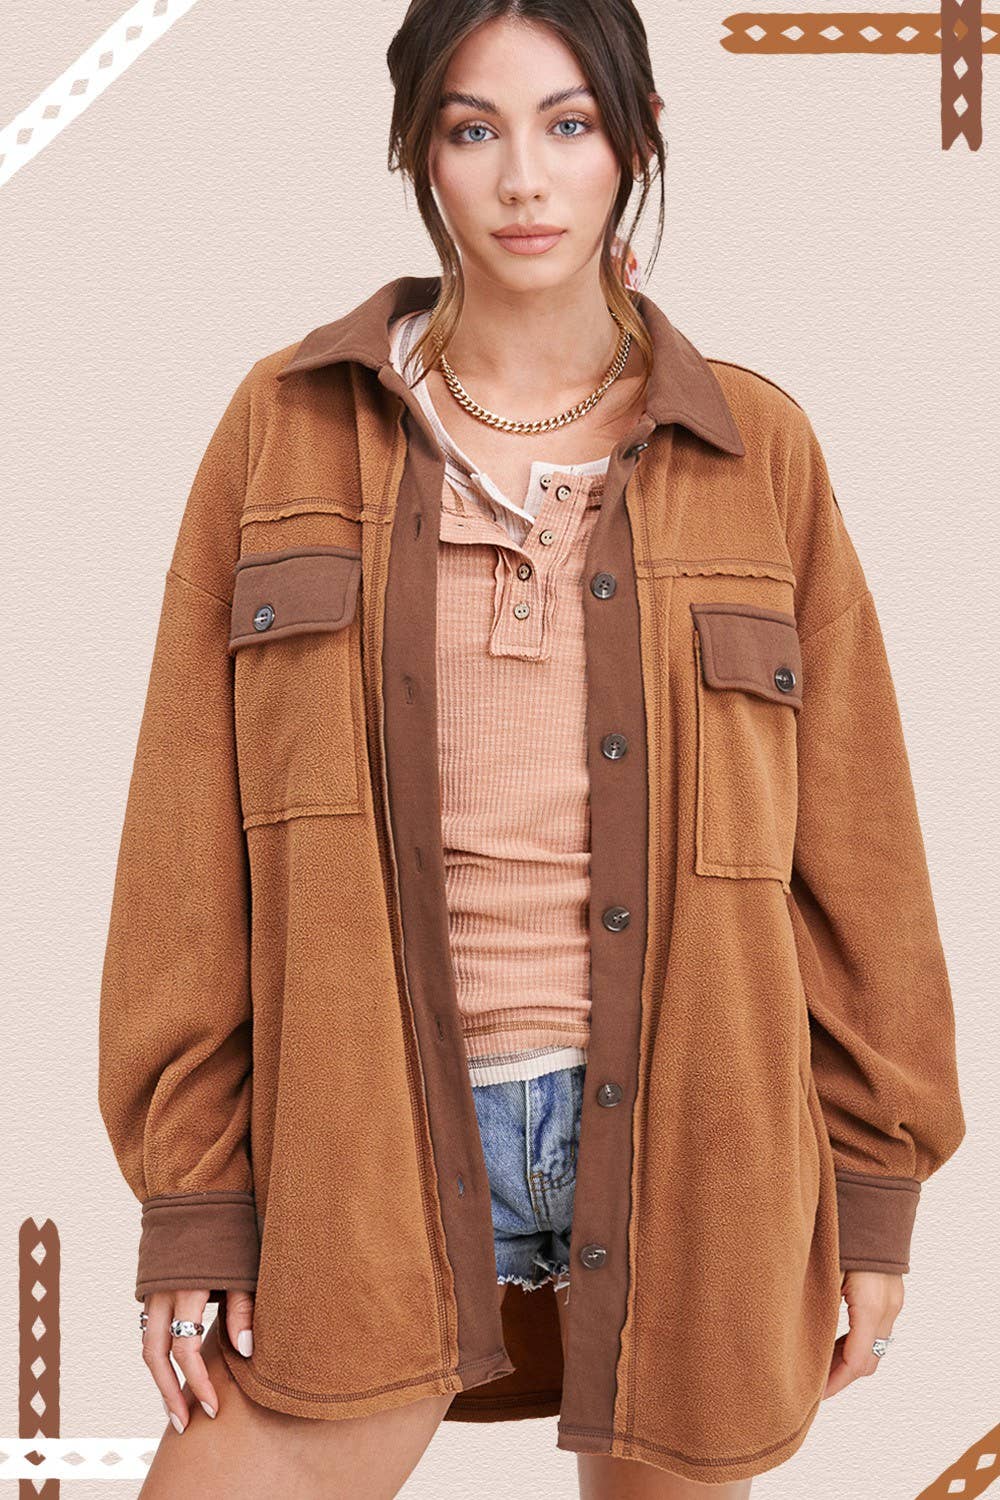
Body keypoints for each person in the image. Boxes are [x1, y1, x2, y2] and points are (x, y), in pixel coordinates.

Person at [98, 3, 965, 1497]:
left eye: (569, 124)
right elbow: (184, 850)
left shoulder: (757, 450)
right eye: (472, 127)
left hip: (700, 1150)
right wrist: (193, 1199)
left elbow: (860, 850)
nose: (523, 178)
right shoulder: (286, 429)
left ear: (634, 140)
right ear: (418, 150)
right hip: (358, 1148)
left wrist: (875, 1186)